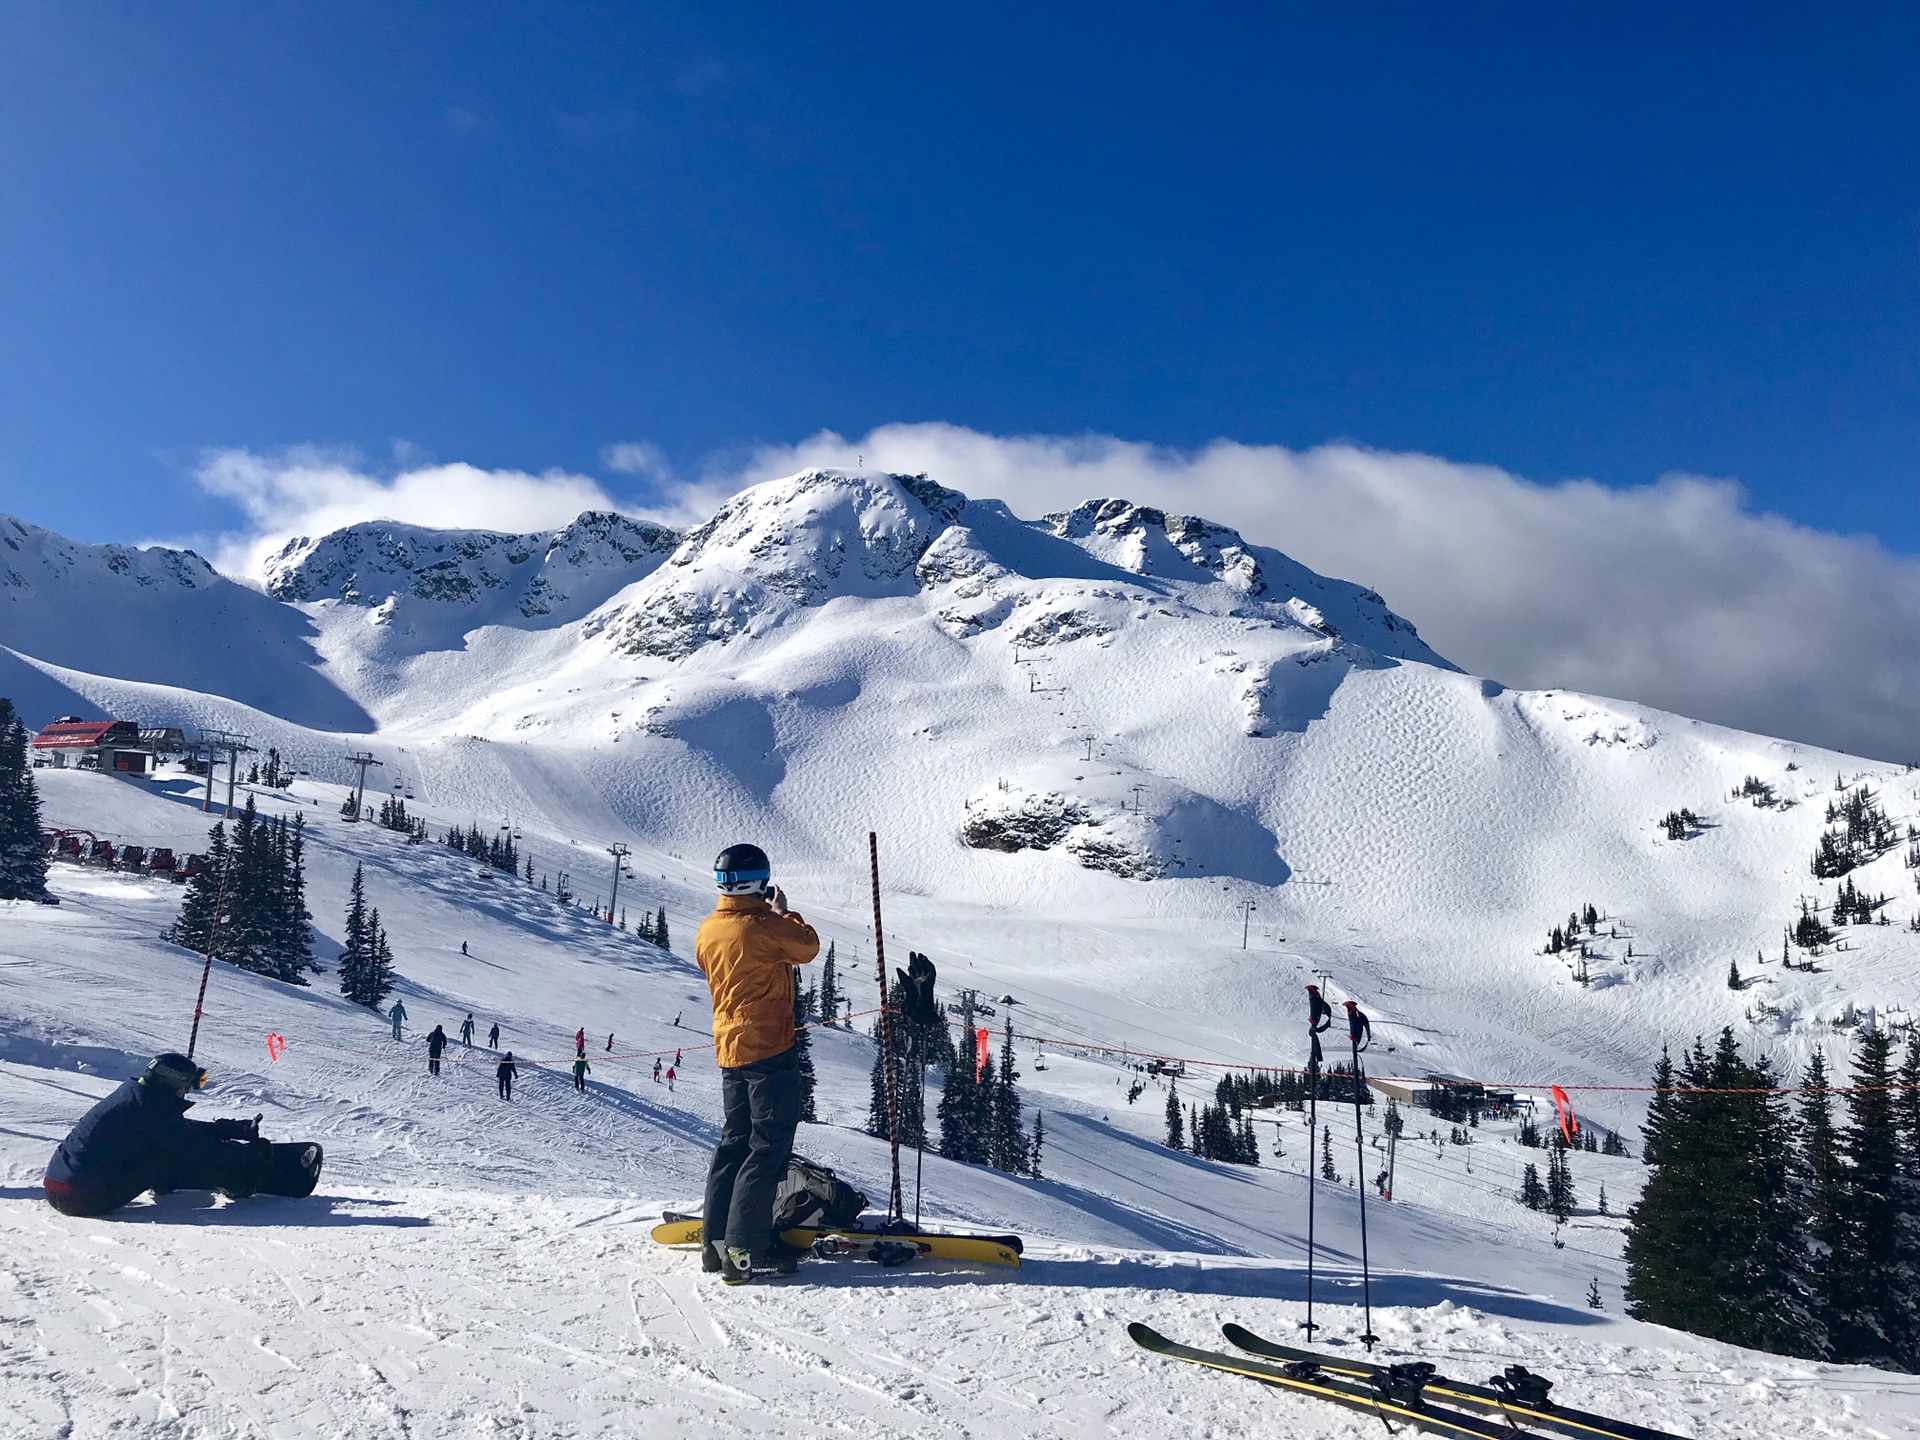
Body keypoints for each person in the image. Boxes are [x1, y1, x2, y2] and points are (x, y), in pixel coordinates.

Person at [697, 842, 819, 1284]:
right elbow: (807, 948)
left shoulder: (709, 928)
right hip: (768, 1044)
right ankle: (746, 1250)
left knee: (735, 1139)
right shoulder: (764, 925)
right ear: (759, 881)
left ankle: (716, 1245)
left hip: (730, 1046)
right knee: (766, 1146)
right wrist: (785, 913)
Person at [42, 1053, 286, 1216]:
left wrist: (222, 1129)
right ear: (171, 1083)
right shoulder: (150, 1109)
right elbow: (193, 1145)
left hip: (63, 1185)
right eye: (186, 1086)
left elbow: (176, 1130)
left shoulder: (137, 1097)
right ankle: (238, 1182)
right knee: (168, 1154)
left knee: (161, 1149)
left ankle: (166, 1181)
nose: (187, 1092)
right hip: (81, 1197)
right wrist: (246, 1154)